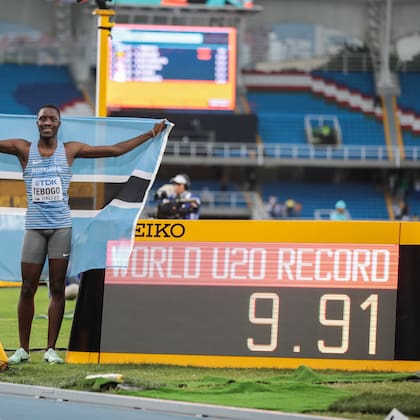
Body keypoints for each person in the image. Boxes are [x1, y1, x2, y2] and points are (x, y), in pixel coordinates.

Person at [0, 104, 166, 365]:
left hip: (61, 228)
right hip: (34, 226)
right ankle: (22, 349)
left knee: (56, 288)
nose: (46, 122)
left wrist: (149, 135)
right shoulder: (23, 148)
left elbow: (114, 151)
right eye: (42, 118)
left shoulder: (70, 150)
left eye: (51, 118)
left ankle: (50, 349)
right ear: (37, 123)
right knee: (27, 288)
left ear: (58, 123)